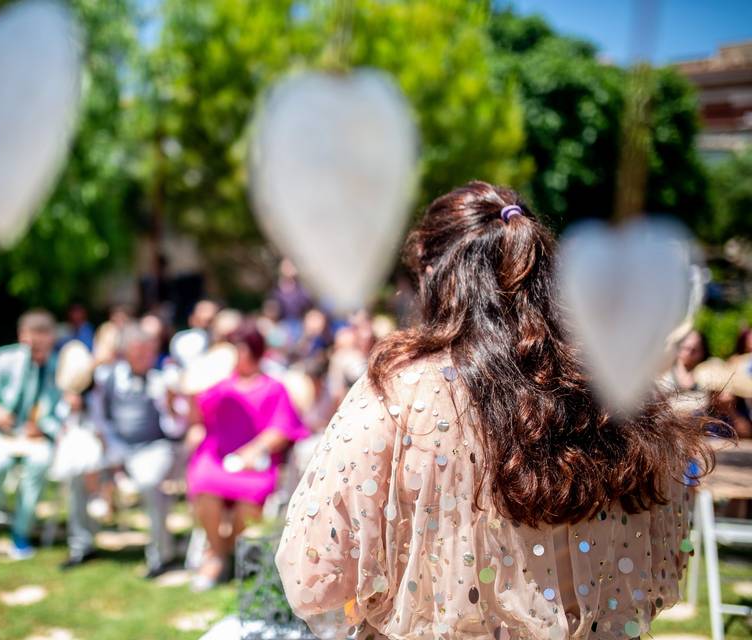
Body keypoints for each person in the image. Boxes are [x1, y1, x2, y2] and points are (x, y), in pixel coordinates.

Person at [275, 182, 713, 639]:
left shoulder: (397, 391)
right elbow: (664, 558)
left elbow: (314, 578)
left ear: (432, 271)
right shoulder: (619, 386)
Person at [186, 323, 309, 591]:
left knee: (248, 501)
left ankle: (227, 551)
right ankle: (218, 555)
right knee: (204, 485)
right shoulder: (218, 385)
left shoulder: (273, 387)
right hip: (216, 457)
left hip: (254, 463)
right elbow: (198, 417)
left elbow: (282, 428)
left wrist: (255, 450)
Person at [79, 324, 186, 575]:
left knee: (150, 482)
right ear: (126, 352)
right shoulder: (107, 378)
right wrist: (114, 452)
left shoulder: (162, 380)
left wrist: (171, 407)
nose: (143, 358)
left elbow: (174, 430)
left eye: (148, 352)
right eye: (138, 352)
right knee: (77, 472)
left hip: (152, 447)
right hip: (114, 445)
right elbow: (98, 418)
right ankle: (81, 544)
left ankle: (161, 554)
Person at [0, 309, 63, 561]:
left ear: (51, 338)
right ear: (22, 337)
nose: (36, 349)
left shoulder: (59, 366)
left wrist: (44, 427)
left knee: (39, 464)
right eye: (31, 342)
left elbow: (63, 409)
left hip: (36, 436)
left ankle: (21, 532)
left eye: (42, 342)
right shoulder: (4, 358)